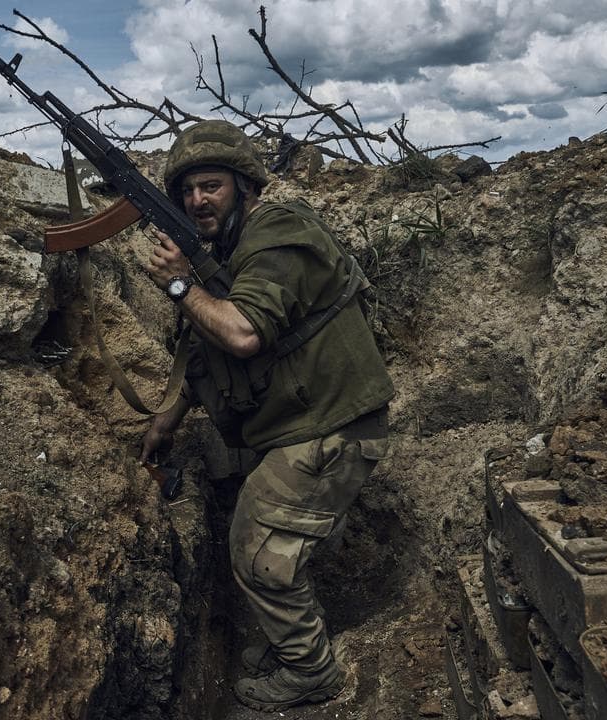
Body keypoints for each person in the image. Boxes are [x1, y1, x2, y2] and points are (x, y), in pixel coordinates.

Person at [137, 119, 394, 712]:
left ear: (244, 186)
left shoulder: (277, 233)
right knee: (261, 545)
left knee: (255, 554)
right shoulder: (228, 252)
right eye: (187, 192)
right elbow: (204, 346)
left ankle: (311, 671)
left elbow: (243, 333)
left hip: (332, 427)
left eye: (211, 187)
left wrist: (179, 286)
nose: (197, 201)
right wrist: (168, 418)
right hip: (299, 423)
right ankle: (291, 640)